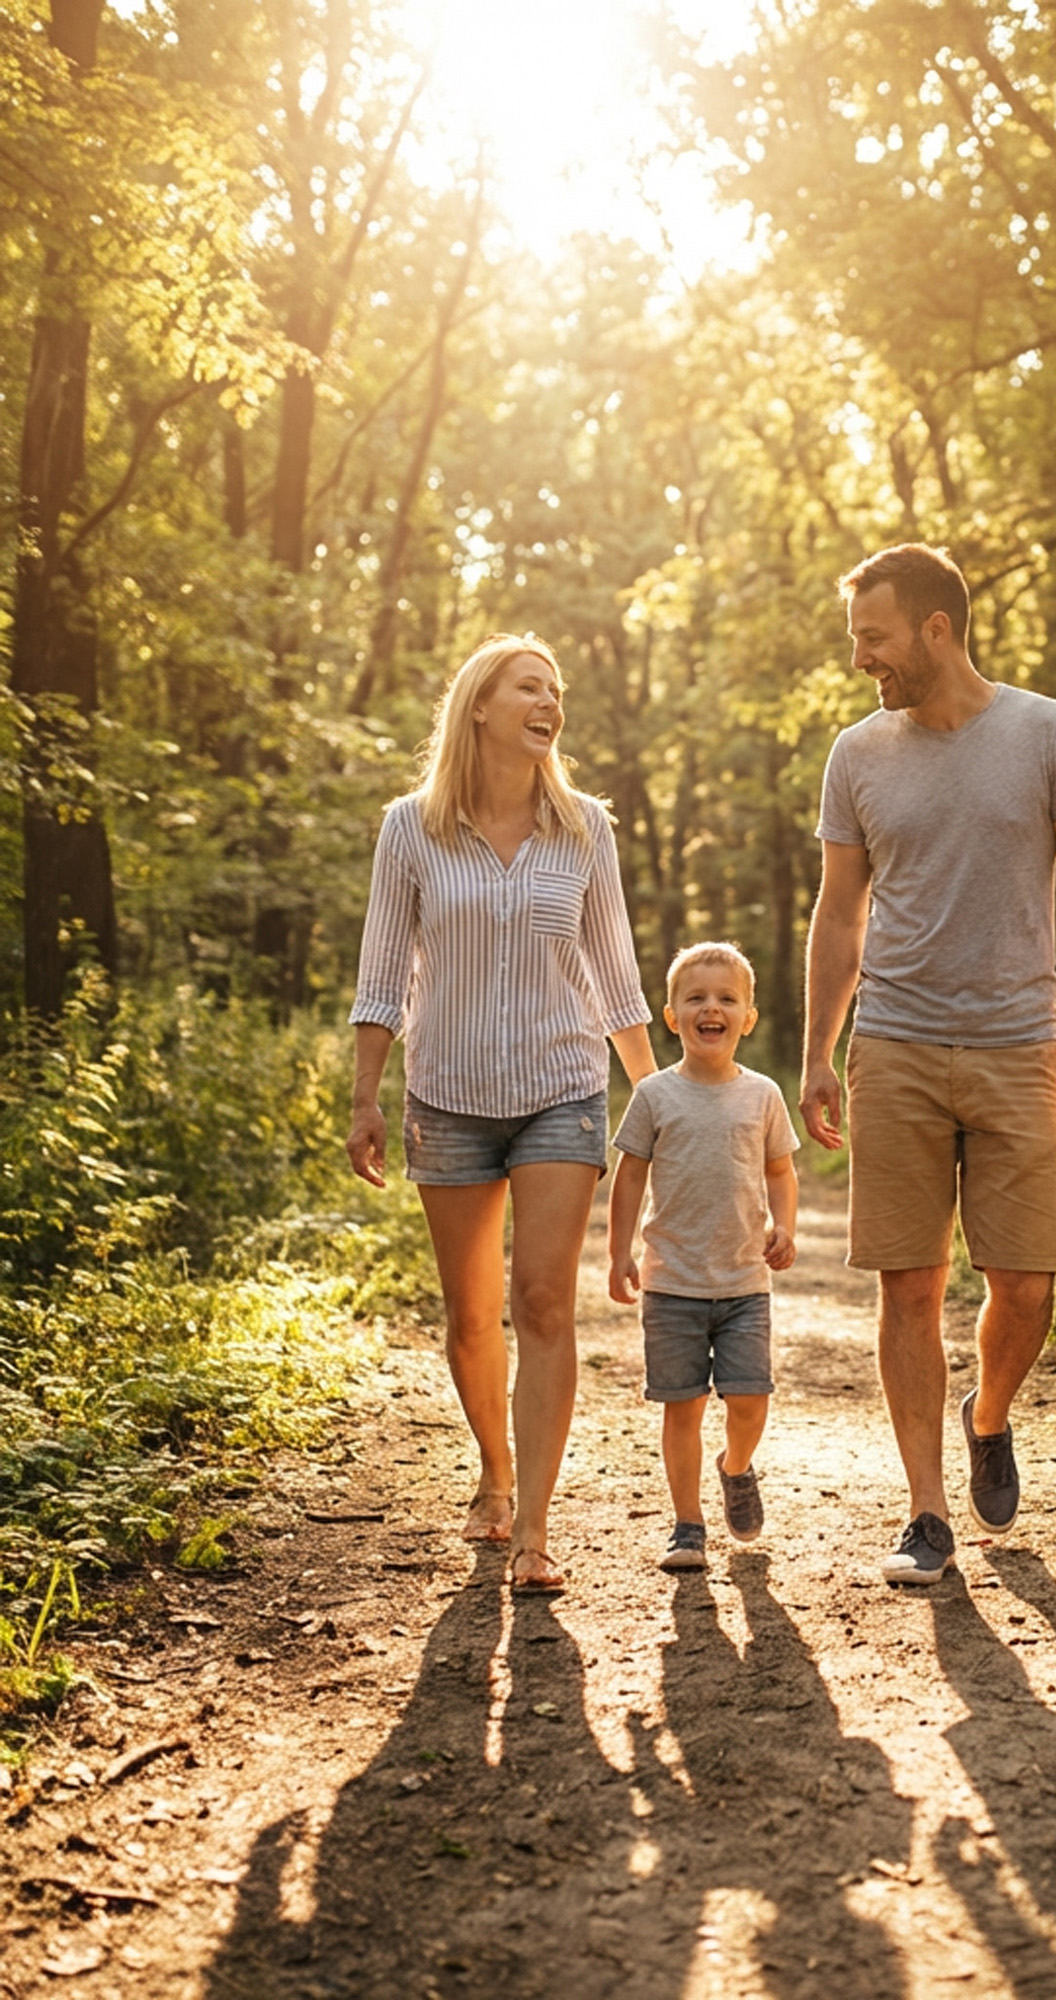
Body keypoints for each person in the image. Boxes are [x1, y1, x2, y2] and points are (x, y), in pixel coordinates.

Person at [800, 543, 1056, 1586]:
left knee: (1024, 1285)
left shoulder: (1044, 731)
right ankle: (926, 1511)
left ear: (935, 628)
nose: (865, 660)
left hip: (1016, 1042)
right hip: (893, 1041)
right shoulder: (856, 753)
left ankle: (986, 1413)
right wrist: (817, 1049)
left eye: (875, 637)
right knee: (909, 1283)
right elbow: (838, 912)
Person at [346, 632, 657, 1596]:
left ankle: (534, 1526)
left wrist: (659, 1099)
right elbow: (383, 969)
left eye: (556, 689)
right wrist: (365, 1092)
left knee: (543, 1304)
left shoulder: (585, 829)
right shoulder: (412, 826)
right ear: (480, 704)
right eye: (530, 685)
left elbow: (615, 973)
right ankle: (491, 1467)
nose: (548, 701)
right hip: (448, 1095)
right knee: (472, 1318)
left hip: (563, 1089)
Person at [607, 941, 800, 1572]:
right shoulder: (655, 1096)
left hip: (745, 1281)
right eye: (696, 998)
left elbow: (780, 1170)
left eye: (726, 999)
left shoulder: (763, 1095)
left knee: (751, 1400)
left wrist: (785, 1224)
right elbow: (630, 1176)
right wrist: (619, 1252)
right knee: (681, 1406)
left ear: (748, 1017)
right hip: (673, 1285)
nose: (710, 1008)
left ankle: (736, 1465)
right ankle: (687, 1524)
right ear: (671, 1016)